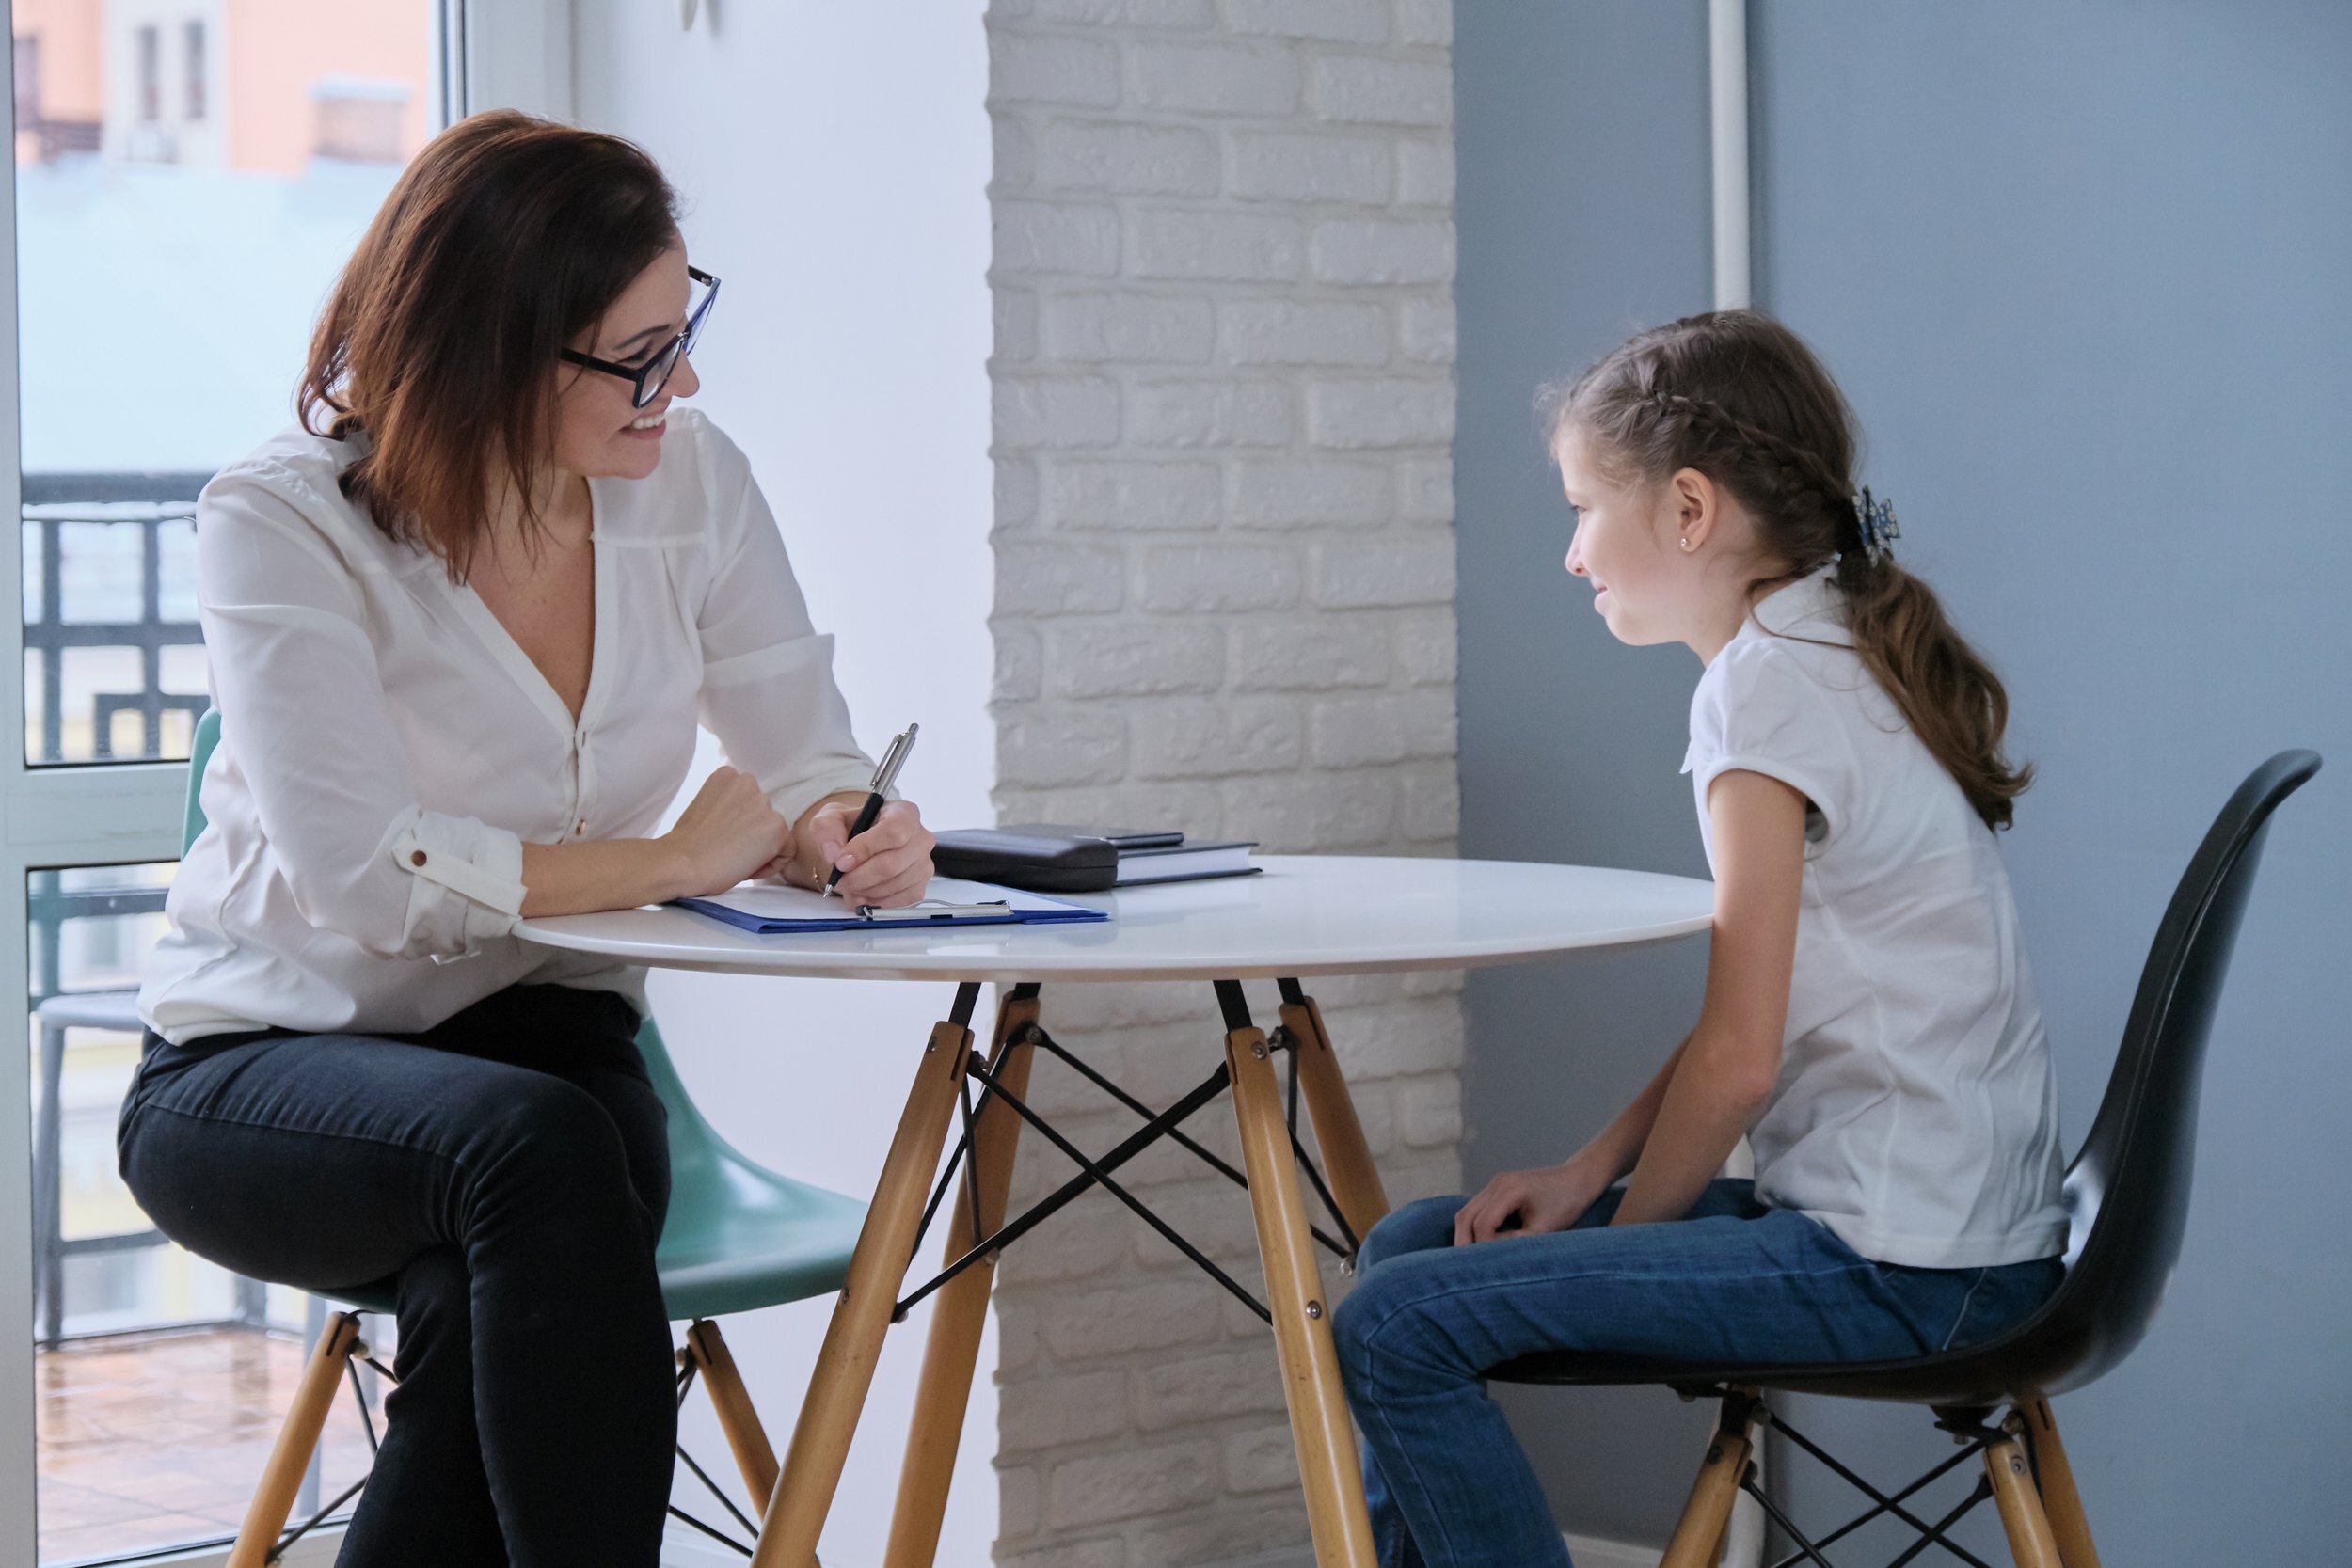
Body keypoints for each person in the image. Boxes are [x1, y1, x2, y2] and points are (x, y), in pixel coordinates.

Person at [119, 110, 934, 1568]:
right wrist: (672, 863)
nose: (679, 383)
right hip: (253, 1069)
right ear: (491, 345)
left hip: (543, 1050)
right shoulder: (284, 523)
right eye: (636, 357)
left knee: (502, 1251)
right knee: (545, 1161)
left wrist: (844, 829)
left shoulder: (692, 478)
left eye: (682, 334)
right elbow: (365, 878)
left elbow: (800, 749)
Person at [1331, 309, 2068, 1568]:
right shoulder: (1828, 641)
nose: (1570, 556)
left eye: (1580, 510)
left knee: (1398, 1324)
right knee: (1408, 1251)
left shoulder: (1760, 693)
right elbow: (1753, 1017)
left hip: (1903, 1268)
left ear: (1687, 511)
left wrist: (1616, 1261)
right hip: (1955, 1234)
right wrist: (1584, 1174)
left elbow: (1739, 1063)